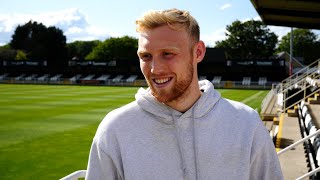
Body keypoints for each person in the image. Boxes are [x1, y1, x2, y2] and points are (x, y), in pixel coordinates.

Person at [85, 8, 283, 180]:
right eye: (146, 56)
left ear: (198, 52)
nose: (155, 69)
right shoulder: (115, 129)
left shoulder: (245, 122)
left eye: (167, 54)